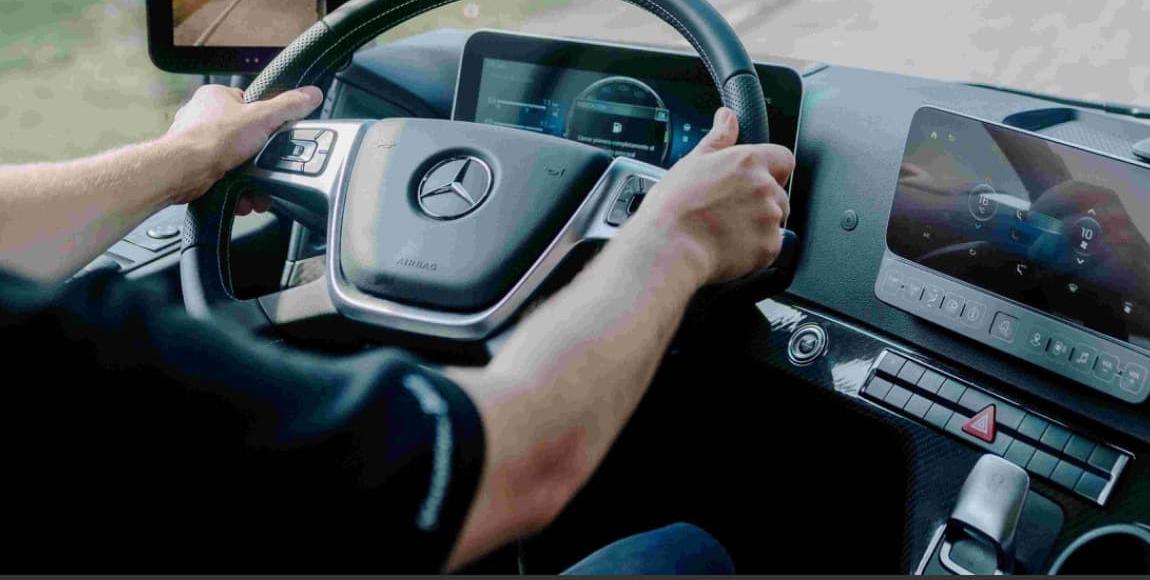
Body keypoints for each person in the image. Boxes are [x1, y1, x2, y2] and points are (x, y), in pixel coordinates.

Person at [0, 83, 794, 573]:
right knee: (689, 550)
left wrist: (190, 154)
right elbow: (519, 463)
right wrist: (678, 234)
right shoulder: (72, 359)